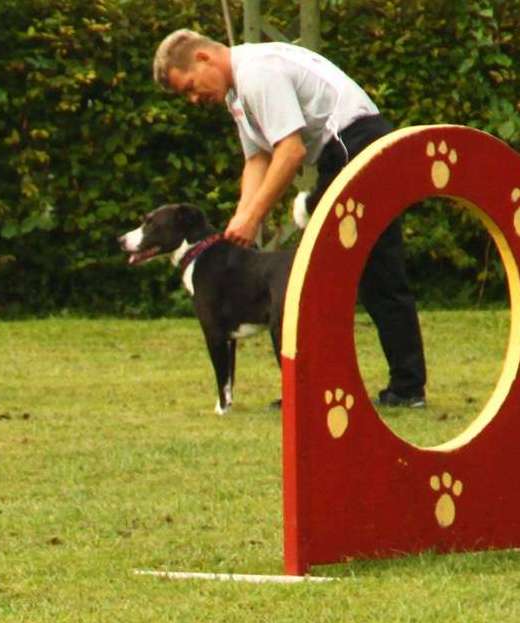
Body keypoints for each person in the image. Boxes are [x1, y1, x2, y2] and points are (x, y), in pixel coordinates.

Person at [155, 29, 428, 408]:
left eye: (189, 87)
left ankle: (396, 388)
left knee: (357, 274)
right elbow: (257, 159)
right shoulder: (238, 94)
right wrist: (241, 218)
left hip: (357, 144)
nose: (194, 98)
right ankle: (344, 388)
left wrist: (255, 218)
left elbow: (290, 150)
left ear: (203, 58)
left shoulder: (257, 73)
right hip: (341, 152)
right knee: (355, 275)